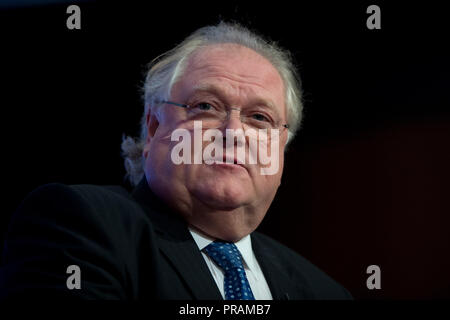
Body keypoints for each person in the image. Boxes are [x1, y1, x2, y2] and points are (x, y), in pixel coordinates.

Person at [0, 22, 352, 300]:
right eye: (205, 107)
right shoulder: (80, 224)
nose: (233, 132)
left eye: (259, 118)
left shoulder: (324, 290)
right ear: (153, 130)